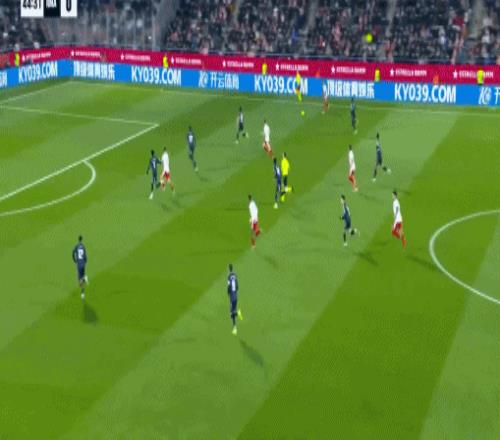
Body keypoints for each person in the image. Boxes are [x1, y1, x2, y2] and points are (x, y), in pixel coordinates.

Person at [227, 263, 243, 335]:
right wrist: (235, 292)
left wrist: (228, 293)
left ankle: (238, 313)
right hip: (236, 296)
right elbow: (237, 286)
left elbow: (229, 286)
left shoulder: (229, 276)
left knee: (231, 313)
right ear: (232, 268)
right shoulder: (235, 275)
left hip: (232, 297)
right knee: (232, 312)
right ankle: (235, 328)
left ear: (229, 269)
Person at [72, 235, 88, 299]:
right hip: (83, 264)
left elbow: (73, 253)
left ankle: (82, 293)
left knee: (79, 279)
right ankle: (83, 293)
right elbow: (85, 256)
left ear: (78, 239)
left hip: (79, 264)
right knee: (82, 277)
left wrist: (74, 260)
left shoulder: (76, 246)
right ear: (82, 239)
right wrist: (85, 262)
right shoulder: (83, 246)